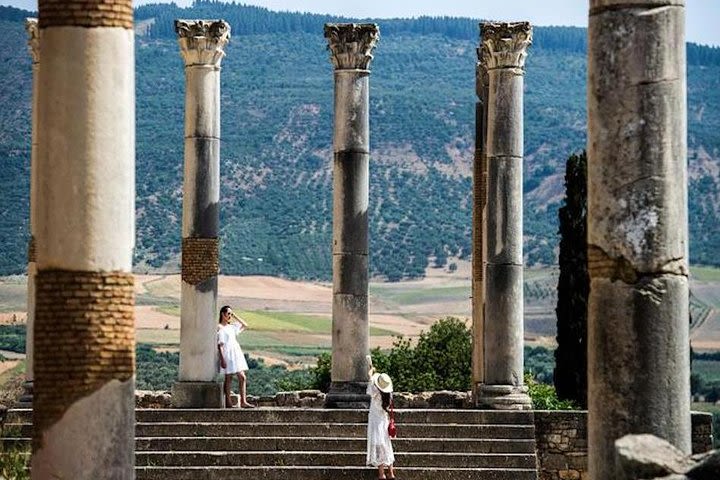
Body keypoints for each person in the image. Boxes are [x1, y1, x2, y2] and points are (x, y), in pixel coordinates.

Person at [217, 305, 254, 408]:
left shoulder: (232, 327)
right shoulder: (220, 327)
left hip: (236, 352)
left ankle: (243, 401)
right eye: (228, 314)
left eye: (230, 314)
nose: (230, 316)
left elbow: (245, 325)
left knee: (242, 377)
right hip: (227, 352)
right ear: (222, 314)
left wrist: (234, 315)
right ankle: (228, 402)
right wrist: (222, 359)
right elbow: (220, 344)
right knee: (228, 377)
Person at [366, 356, 396, 480]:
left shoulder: (374, 390)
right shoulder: (388, 395)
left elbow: (370, 379)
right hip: (384, 420)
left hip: (375, 420)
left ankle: (381, 474)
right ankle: (391, 473)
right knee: (386, 445)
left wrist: (371, 370)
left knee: (378, 446)